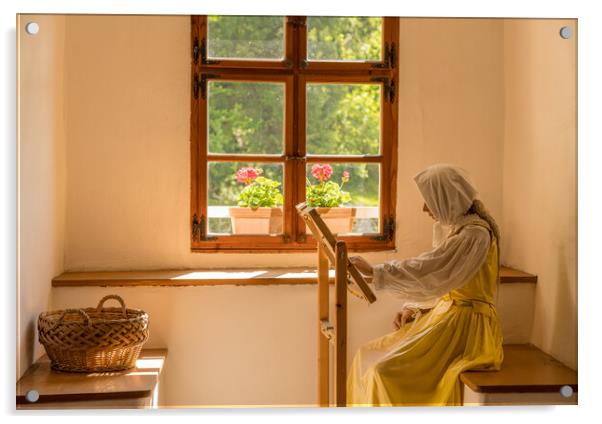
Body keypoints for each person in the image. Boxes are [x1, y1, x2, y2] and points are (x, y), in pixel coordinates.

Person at [347, 164, 503, 406]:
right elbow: (441, 278)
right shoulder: (461, 230)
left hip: (467, 329)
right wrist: (415, 306)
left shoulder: (474, 235)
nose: (424, 208)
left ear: (447, 199)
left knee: (384, 372)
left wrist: (376, 270)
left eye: (428, 201)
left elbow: (430, 269)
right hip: (449, 316)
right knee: (365, 355)